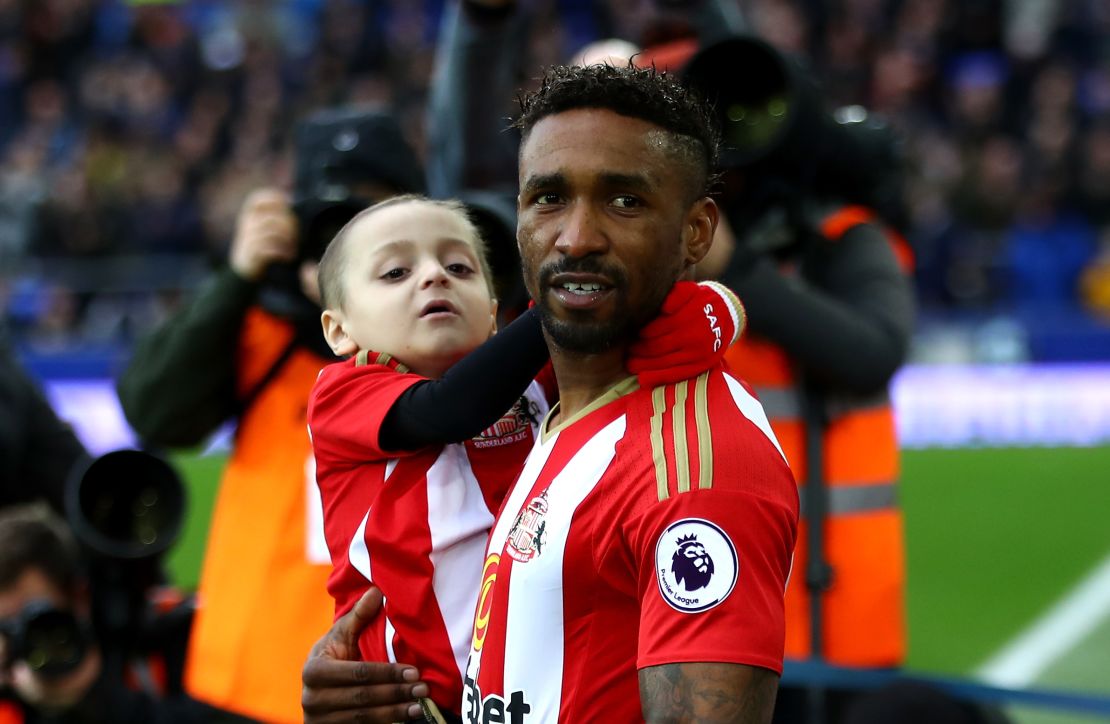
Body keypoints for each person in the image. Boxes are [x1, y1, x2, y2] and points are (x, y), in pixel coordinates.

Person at [304, 63, 799, 724]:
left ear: (696, 233)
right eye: (547, 198)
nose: (576, 238)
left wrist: (702, 306)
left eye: (625, 201)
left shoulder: (697, 468)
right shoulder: (554, 411)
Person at [115, 108, 425, 724]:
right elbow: (153, 409)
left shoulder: (440, 330)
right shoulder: (258, 323)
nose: (347, 244)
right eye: (331, 221)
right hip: (244, 676)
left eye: (370, 220)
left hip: (382, 685)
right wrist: (238, 277)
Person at [0, 503, 213, 724]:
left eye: (35, 617)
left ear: (78, 598)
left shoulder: (169, 633)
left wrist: (95, 698)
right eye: (6, 628)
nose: (26, 637)